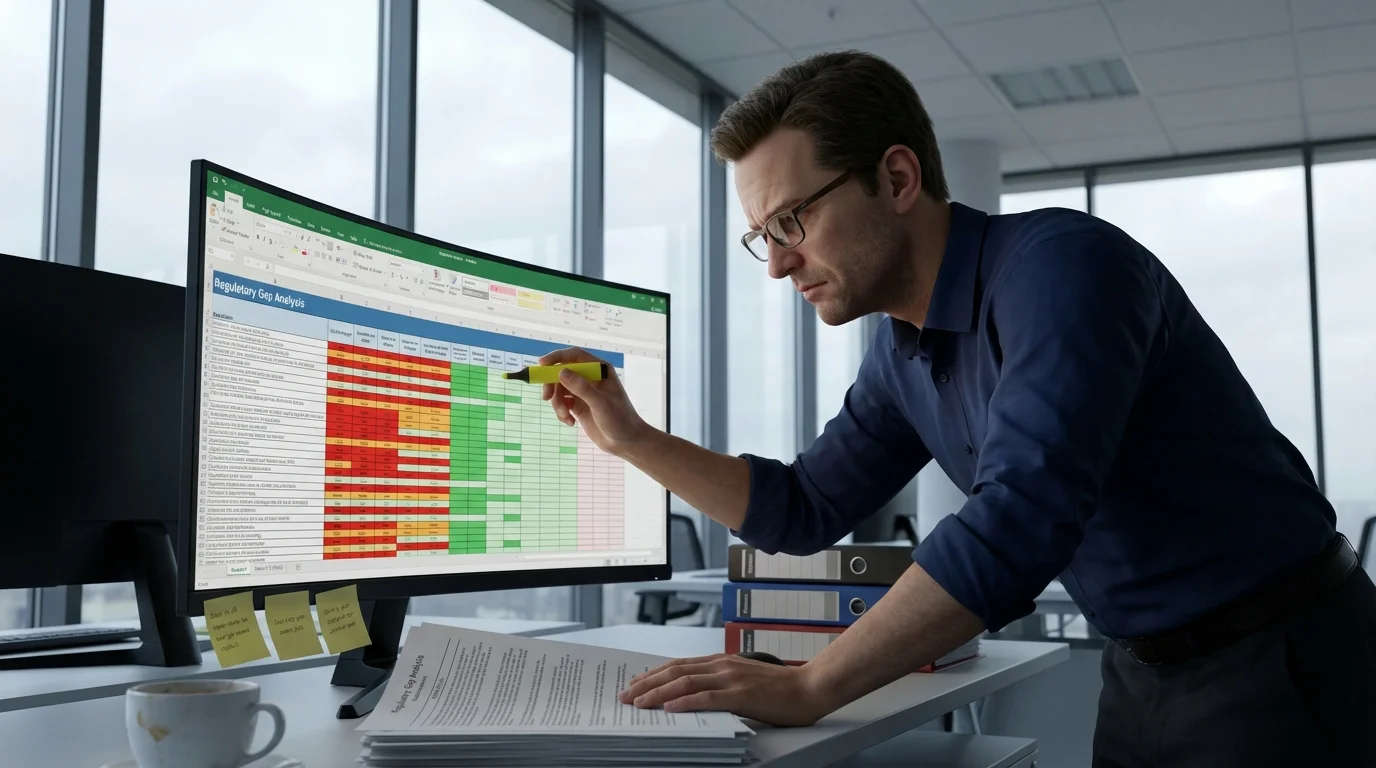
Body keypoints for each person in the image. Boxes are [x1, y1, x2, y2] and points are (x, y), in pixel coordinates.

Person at [538, 51, 1376, 766]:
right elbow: (800, 508)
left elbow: (1020, 518)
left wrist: (811, 685)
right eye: (764, 234)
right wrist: (633, 439)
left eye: (792, 219)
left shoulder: (1061, 270)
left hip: (1283, 658)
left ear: (897, 177)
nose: (777, 265)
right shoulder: (904, 353)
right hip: (1142, 671)